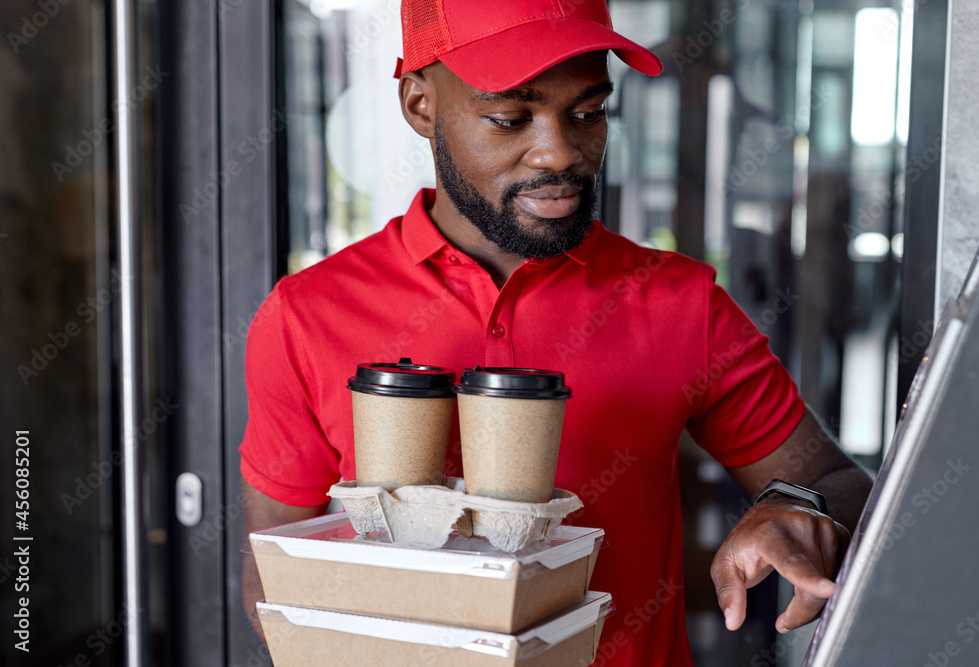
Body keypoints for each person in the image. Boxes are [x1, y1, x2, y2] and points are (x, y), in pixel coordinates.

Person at [239, 0, 874, 664]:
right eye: (511, 118)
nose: (561, 152)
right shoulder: (306, 316)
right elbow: (273, 575)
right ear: (420, 104)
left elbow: (840, 480)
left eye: (588, 111)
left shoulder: (679, 302)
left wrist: (795, 509)